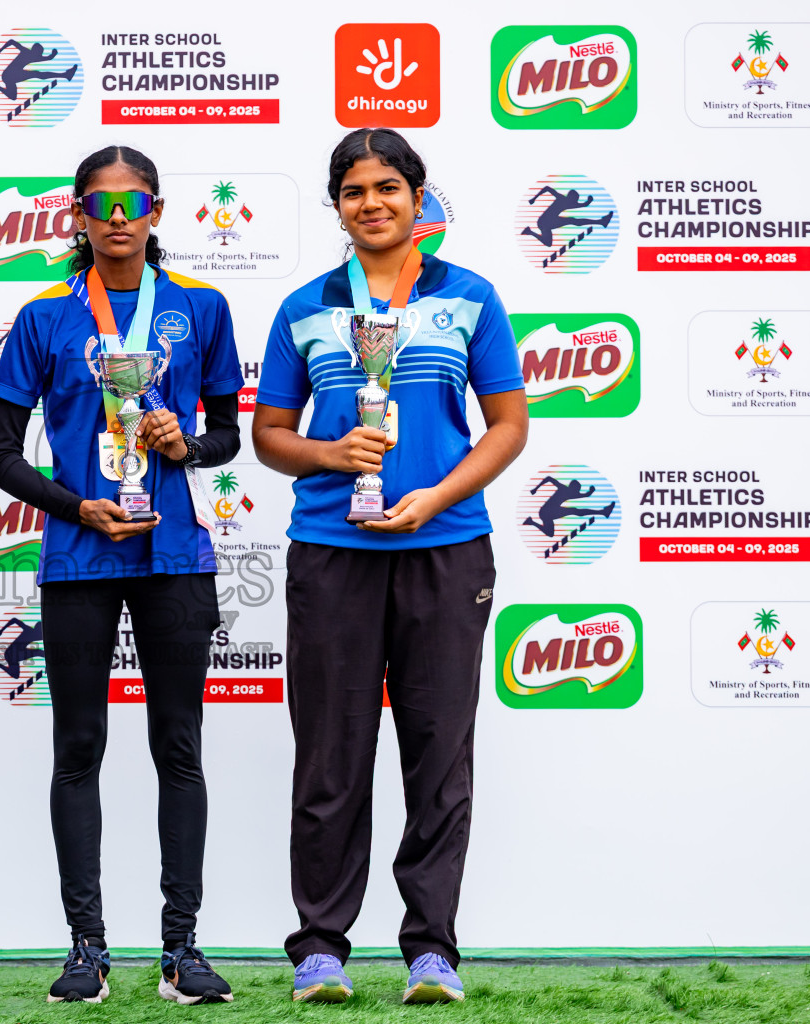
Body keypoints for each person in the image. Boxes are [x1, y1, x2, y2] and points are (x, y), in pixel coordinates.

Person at [252, 128, 528, 1006]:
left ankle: (431, 950)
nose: (371, 203)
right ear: (337, 206)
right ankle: (320, 948)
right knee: (329, 756)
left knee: (439, 757)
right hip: (333, 553)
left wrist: (437, 497)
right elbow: (269, 437)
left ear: (418, 197)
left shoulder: (471, 297)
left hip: (446, 549)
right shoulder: (306, 306)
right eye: (354, 191)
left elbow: (509, 427)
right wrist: (331, 456)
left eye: (387, 188)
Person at [0, 145, 243, 1005]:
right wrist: (76, 508)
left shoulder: (201, 307)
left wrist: (186, 445)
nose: (119, 219)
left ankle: (181, 950)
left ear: (158, 212)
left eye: (135, 204)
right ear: (78, 215)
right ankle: (86, 949)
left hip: (175, 555)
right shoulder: (44, 316)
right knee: (77, 749)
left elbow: (227, 436)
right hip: (80, 555)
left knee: (179, 747)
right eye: (102, 204)